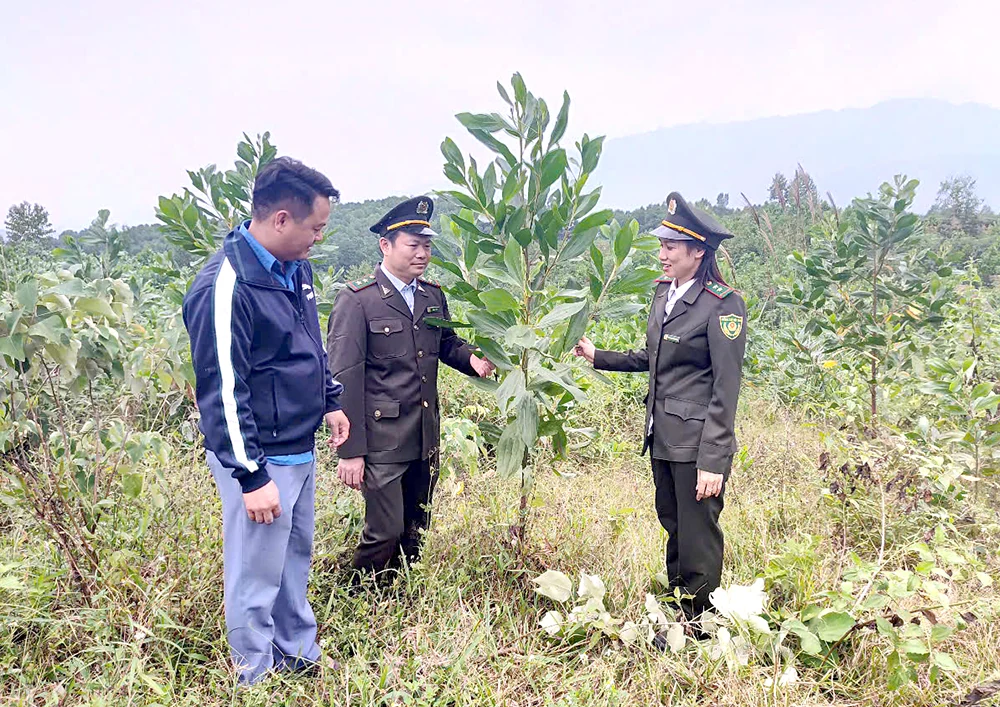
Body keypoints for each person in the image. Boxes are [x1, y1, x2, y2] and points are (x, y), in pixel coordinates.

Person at [182, 157, 350, 684]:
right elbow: (222, 389)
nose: (318, 239)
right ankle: (252, 674)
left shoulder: (295, 269)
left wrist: (330, 399)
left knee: (293, 560)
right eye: (315, 228)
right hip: (261, 457)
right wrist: (252, 477)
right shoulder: (226, 286)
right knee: (255, 573)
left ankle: (297, 654)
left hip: (298, 447)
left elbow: (308, 344)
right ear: (281, 219)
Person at [574, 191, 747, 629]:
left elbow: (726, 388)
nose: (662, 254)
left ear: (697, 252)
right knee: (673, 521)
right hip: (664, 435)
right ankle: (679, 603)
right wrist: (599, 356)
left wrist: (713, 460)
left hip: (697, 442)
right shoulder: (664, 294)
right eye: (662, 245)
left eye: (671, 247)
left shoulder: (722, 304)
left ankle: (699, 621)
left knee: (698, 532)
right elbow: (653, 357)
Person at [326, 195, 494, 576]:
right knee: (384, 531)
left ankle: (401, 594)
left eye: (427, 246)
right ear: (385, 245)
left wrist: (473, 360)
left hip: (424, 434)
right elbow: (344, 376)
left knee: (417, 528)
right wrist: (350, 452)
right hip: (382, 440)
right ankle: (362, 594)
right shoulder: (358, 301)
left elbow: (446, 343)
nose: (422, 254)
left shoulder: (431, 295)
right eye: (413, 245)